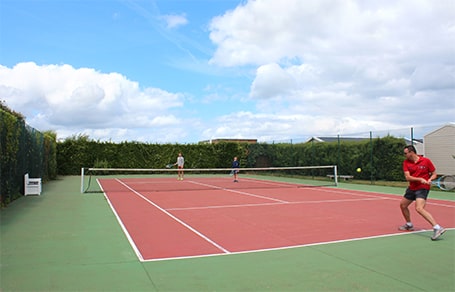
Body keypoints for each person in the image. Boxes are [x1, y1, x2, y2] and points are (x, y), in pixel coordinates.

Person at [399, 145, 445, 240]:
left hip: (423, 188)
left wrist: (430, 179)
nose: (404, 155)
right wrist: (420, 179)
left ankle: (437, 227)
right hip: (412, 187)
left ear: (411, 152)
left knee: (419, 208)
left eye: (405, 153)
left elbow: (434, 174)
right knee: (403, 205)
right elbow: (408, 177)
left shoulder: (426, 161)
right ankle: (409, 224)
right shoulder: (406, 163)